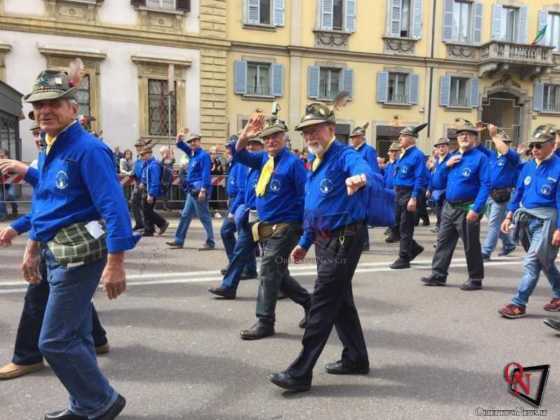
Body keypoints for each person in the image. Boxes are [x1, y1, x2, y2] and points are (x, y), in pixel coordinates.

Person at [22, 68, 138, 419]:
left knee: (54, 341)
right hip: (56, 254)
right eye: (39, 104)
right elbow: (48, 202)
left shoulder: (87, 148)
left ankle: (101, 401)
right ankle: (84, 404)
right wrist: (30, 244)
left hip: (79, 256)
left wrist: (116, 262)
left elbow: (113, 206)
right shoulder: (51, 145)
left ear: (73, 108)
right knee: (78, 337)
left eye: (54, 103)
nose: (45, 110)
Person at [269, 102, 380, 392]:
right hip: (324, 238)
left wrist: (361, 178)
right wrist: (305, 242)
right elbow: (315, 208)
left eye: (315, 130)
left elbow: (365, 169)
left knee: (322, 301)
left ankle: (300, 371)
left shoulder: (343, 155)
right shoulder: (315, 162)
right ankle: (356, 358)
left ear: (331, 129)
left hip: (344, 239)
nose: (310, 136)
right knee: (340, 301)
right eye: (305, 132)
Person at [234, 112, 311, 340]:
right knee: (278, 273)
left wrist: (307, 231)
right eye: (267, 138)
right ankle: (311, 304)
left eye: (276, 136)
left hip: (287, 226)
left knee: (267, 269)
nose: (270, 141)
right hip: (266, 226)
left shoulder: (294, 164)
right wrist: (246, 133)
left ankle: (265, 321)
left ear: (285, 138)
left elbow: (306, 196)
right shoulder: (264, 159)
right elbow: (238, 153)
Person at [498, 125, 560, 319]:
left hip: (547, 222)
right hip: (528, 220)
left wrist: (559, 229)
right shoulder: (528, 166)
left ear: (552, 146)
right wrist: (509, 215)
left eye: (539, 146)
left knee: (532, 261)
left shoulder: (558, 167)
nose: (535, 149)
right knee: (546, 261)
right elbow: (518, 193)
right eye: (533, 145)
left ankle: (519, 303)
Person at [421, 121, 490, 291]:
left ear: (474, 138)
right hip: (449, 207)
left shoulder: (480, 158)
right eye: (461, 135)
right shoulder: (451, 157)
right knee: (443, 242)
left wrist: (476, 208)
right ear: (457, 139)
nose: (464, 137)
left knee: (471, 245)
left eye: (468, 134)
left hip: (467, 208)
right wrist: (445, 166)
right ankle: (438, 275)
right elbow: (436, 183)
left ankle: (475, 278)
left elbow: (486, 185)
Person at [208, 135, 263, 299]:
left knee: (272, 257)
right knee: (240, 251)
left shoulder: (268, 164)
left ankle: (292, 291)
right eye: (250, 145)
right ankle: (229, 286)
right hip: (250, 214)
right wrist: (239, 208)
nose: (252, 148)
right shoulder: (249, 167)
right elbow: (245, 190)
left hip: (267, 217)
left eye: (256, 145)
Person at [167, 132, 215, 250]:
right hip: (192, 190)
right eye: (190, 141)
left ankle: (210, 242)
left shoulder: (203, 156)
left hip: (198, 190)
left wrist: (203, 190)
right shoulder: (193, 154)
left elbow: (206, 174)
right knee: (185, 215)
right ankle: (179, 240)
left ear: (199, 141)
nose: (192, 143)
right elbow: (182, 147)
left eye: (195, 140)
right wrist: (178, 140)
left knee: (204, 216)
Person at [389, 124, 428, 269]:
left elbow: (419, 178)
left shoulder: (417, 155)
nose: (400, 138)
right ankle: (415, 248)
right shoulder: (403, 154)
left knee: (406, 227)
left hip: (408, 193)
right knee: (397, 226)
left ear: (412, 139)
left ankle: (404, 258)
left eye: (403, 136)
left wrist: (414, 197)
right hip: (399, 192)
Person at [481, 125, 519, 261]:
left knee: (493, 223)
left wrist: (494, 135)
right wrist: (478, 133)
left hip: (503, 194)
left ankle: (486, 251)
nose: (504, 145)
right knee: (499, 221)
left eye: (506, 143)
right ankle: (509, 244)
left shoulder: (512, 156)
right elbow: (478, 147)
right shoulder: (492, 155)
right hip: (490, 193)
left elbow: (506, 151)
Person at [349, 123, 380, 251]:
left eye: (355, 137)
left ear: (361, 137)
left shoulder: (369, 150)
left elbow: (373, 170)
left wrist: (371, 185)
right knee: (355, 215)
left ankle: (364, 243)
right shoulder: (352, 151)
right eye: (352, 137)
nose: (352, 139)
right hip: (353, 185)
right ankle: (357, 242)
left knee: (361, 216)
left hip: (363, 187)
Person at [139, 146, 169, 237]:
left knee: (147, 211)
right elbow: (146, 177)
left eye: (143, 155)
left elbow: (155, 181)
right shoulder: (148, 164)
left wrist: (151, 194)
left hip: (150, 191)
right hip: (146, 189)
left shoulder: (154, 165)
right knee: (146, 210)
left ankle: (162, 223)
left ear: (148, 154)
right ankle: (149, 230)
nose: (142, 157)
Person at [428, 138, 451, 233]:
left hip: (446, 191)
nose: (441, 148)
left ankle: (444, 231)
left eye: (443, 146)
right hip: (436, 191)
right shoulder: (438, 160)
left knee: (444, 214)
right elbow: (433, 175)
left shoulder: (451, 159)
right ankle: (439, 226)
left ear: (448, 147)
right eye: (439, 147)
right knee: (438, 211)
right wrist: (429, 189)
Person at [131, 139, 151, 231]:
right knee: (134, 202)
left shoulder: (146, 158)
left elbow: (146, 171)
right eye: (137, 146)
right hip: (137, 183)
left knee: (144, 206)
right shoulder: (138, 158)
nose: (138, 148)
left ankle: (149, 225)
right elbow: (136, 171)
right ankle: (139, 223)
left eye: (140, 146)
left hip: (144, 184)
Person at [384, 142, 401, 241]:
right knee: (389, 212)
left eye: (396, 151)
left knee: (395, 213)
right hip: (388, 191)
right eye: (392, 151)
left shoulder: (399, 164)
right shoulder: (388, 164)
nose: (394, 153)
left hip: (396, 191)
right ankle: (392, 230)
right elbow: (385, 177)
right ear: (389, 153)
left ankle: (395, 234)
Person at [0, 148, 19, 220]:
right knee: (1, 197)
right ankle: (3, 214)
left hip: (10, 184)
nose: (1, 158)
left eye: (2, 156)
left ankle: (15, 209)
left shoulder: (12, 163)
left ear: (7, 156)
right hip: (1, 186)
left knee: (11, 195)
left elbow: (16, 173)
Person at [159, 145, 175, 211]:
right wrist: (163, 157)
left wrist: (172, 153)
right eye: (166, 153)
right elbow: (161, 164)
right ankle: (164, 206)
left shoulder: (169, 160)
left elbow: (173, 160)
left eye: (167, 153)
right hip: (164, 179)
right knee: (164, 194)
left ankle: (165, 206)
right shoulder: (162, 161)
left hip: (169, 179)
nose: (167, 154)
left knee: (166, 194)